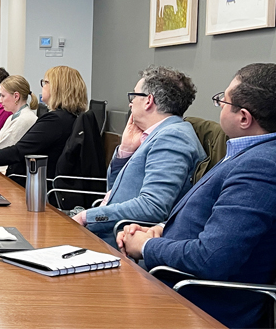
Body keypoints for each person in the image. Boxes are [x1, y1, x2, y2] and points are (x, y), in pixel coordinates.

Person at [118, 63, 276, 329]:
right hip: (175, 285)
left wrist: (145, 246)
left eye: (223, 101)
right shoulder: (247, 153)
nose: (220, 106)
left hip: (199, 304)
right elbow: (216, 226)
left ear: (244, 118)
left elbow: (212, 257)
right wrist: (161, 230)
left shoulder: (260, 165)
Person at [72, 66, 205, 244]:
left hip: (117, 242)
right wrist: (125, 150)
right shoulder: (157, 134)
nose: (130, 103)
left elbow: (152, 207)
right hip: (106, 233)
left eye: (133, 96)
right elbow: (114, 191)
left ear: (148, 100)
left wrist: (89, 216)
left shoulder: (173, 138)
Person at [0, 66, 85, 185]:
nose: (42, 86)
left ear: (57, 88)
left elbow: (19, 151)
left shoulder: (55, 121)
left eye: (45, 83)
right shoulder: (66, 118)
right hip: (33, 182)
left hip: (28, 185)